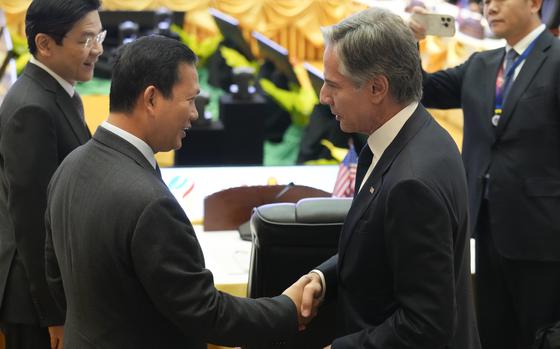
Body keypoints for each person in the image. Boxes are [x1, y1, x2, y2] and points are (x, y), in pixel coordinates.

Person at [44, 35, 309, 349]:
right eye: (190, 100)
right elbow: (205, 312)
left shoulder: (69, 166)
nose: (195, 114)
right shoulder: (149, 204)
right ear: (152, 99)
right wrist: (287, 309)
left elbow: (54, 274)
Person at [298, 7, 481, 349]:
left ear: (377, 88)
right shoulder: (412, 134)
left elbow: (425, 325)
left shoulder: (414, 181)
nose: (323, 97)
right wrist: (324, 277)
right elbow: (381, 247)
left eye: (333, 85)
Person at [409, 0, 560, 348]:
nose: (490, 7)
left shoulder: (555, 58)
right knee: (491, 332)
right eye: (485, 2)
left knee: (541, 335)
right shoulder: (482, 64)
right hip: (484, 227)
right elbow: (421, 88)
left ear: (534, 3)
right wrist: (411, 42)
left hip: (544, 234)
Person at [0, 0, 103, 348]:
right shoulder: (32, 107)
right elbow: (32, 220)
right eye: (86, 39)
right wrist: (54, 314)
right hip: (34, 304)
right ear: (45, 44)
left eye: (98, 36)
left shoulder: (57, 90)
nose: (98, 49)